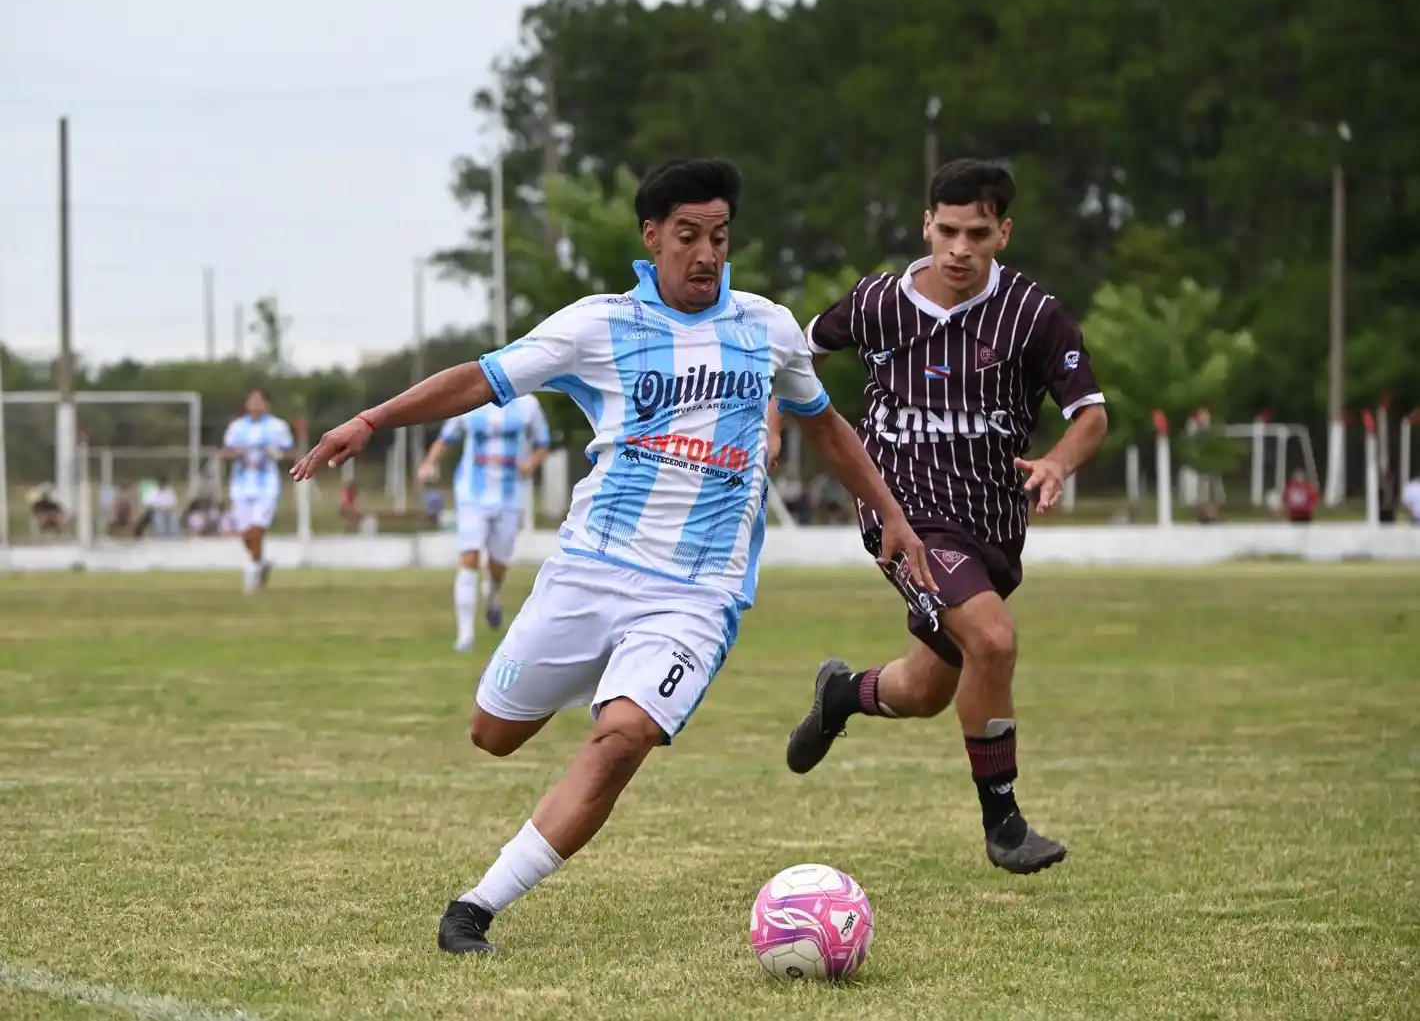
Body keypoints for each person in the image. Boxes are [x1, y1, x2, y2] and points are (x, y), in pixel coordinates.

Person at [291, 158, 934, 955]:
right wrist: (372, 420)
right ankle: (603, 670)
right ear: (652, 236)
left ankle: (475, 907)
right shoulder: (597, 325)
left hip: (697, 595)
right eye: (689, 235)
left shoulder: (767, 328)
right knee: (493, 733)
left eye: (720, 236)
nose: (707, 253)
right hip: (590, 570)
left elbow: (825, 425)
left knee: (622, 738)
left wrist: (891, 513)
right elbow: (482, 378)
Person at [772, 159, 1108, 876]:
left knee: (926, 690)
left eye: (977, 234)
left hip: (990, 524)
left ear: (1002, 233)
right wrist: (773, 423)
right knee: (992, 637)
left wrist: (1057, 462)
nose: (959, 248)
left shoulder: (1033, 315)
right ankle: (1004, 823)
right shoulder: (878, 302)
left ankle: (841, 695)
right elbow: (796, 354)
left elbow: (1092, 415)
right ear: (926, 224)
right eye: (947, 230)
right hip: (901, 512)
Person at [418, 394, 552, 649]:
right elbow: (446, 438)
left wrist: (531, 464)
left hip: (510, 494)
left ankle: (492, 593)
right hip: (471, 493)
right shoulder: (469, 402)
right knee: (469, 558)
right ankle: (465, 636)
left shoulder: (528, 404)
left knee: (498, 565)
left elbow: (543, 443)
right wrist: (429, 463)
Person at [220, 389, 295, 593]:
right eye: (251, 401)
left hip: (267, 485)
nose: (255, 405)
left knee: (257, 529)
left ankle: (251, 574)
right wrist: (236, 452)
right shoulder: (237, 427)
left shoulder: (277, 427)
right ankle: (261, 562)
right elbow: (225, 452)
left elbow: (290, 452)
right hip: (241, 484)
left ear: (266, 404)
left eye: (259, 401)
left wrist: (276, 453)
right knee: (245, 533)